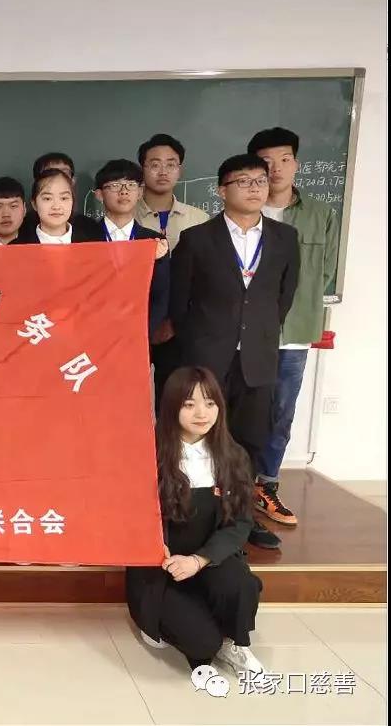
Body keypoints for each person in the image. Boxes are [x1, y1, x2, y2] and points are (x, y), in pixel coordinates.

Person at [170, 154, 300, 550]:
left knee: (250, 440)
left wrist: (256, 333)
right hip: (208, 357)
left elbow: (283, 297)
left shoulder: (284, 238)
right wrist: (203, 340)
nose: (255, 188)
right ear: (222, 190)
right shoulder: (197, 239)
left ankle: (242, 518)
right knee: (201, 437)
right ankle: (198, 517)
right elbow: (180, 301)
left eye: (260, 180)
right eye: (243, 181)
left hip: (257, 358)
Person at [126, 366, 264, 681]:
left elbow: (240, 522)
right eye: (189, 404)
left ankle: (235, 642)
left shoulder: (234, 456)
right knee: (202, 644)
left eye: (210, 403)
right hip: (161, 568)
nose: (202, 413)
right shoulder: (148, 454)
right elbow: (129, 515)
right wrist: (153, 548)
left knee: (240, 584)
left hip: (208, 559)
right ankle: (167, 620)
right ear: (171, 408)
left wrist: (199, 560)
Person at [247, 127, 340, 528]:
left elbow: (326, 272)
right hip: (247, 333)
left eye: (284, 159)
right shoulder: (243, 211)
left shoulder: (321, 215)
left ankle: (266, 485)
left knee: (281, 411)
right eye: (266, 161)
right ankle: (233, 487)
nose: (276, 168)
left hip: (295, 333)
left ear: (297, 164)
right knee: (241, 409)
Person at [136, 134, 211, 403]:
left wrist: (173, 322)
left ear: (180, 169)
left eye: (171, 164)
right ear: (142, 169)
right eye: (154, 164)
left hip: (182, 329)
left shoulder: (199, 220)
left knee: (174, 402)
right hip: (133, 325)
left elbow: (205, 278)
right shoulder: (124, 216)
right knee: (129, 400)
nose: (163, 171)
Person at [82, 159, 170, 338]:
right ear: (99, 194)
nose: (124, 191)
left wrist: (141, 332)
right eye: (115, 185)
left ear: (140, 192)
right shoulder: (83, 239)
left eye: (131, 185)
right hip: (90, 335)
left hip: (137, 336)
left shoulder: (153, 241)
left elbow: (161, 295)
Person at [21, 152, 100, 237]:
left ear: (73, 181)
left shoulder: (90, 228)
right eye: (51, 173)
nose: (58, 178)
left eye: (64, 173)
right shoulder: (22, 229)